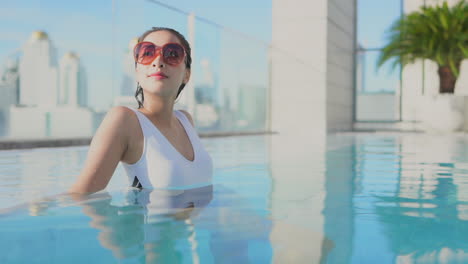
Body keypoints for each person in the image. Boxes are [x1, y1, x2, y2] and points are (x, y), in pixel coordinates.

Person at [69, 27, 213, 194]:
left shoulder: (185, 120)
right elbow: (81, 196)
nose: (158, 61)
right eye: (147, 53)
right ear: (137, 71)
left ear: (186, 75)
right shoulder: (124, 120)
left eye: (172, 54)